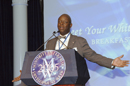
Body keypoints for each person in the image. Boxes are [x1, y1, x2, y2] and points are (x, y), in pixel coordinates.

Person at [12, 14, 129, 84]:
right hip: (53, 82)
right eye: (59, 22)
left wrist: (111, 61)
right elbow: (44, 64)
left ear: (70, 25)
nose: (61, 24)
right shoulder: (50, 43)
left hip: (74, 83)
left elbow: (93, 56)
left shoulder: (79, 41)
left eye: (65, 22)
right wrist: (29, 72)